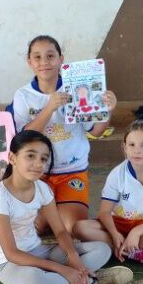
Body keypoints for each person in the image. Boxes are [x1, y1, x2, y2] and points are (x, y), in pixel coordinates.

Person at [0, 130, 133, 284]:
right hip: (10, 264)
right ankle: (93, 281)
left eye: (43, 159)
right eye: (30, 156)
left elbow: (61, 231)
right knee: (34, 278)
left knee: (101, 250)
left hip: (39, 252)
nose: (37, 164)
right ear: (12, 157)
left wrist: (74, 260)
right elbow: (11, 253)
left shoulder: (41, 189)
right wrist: (62, 269)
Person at [11, 35, 117, 233]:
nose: (44, 62)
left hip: (72, 171)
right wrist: (50, 107)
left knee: (71, 228)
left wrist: (107, 111)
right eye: (37, 57)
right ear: (29, 62)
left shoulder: (77, 88)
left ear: (61, 59)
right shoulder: (23, 96)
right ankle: (49, 211)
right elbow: (22, 138)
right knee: (36, 227)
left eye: (50, 56)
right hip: (37, 174)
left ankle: (59, 210)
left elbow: (96, 130)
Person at [73, 120, 143, 267]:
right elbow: (104, 212)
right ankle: (134, 251)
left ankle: (123, 249)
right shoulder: (117, 174)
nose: (137, 150)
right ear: (124, 148)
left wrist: (136, 232)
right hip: (118, 225)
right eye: (131, 145)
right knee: (80, 228)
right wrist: (115, 235)